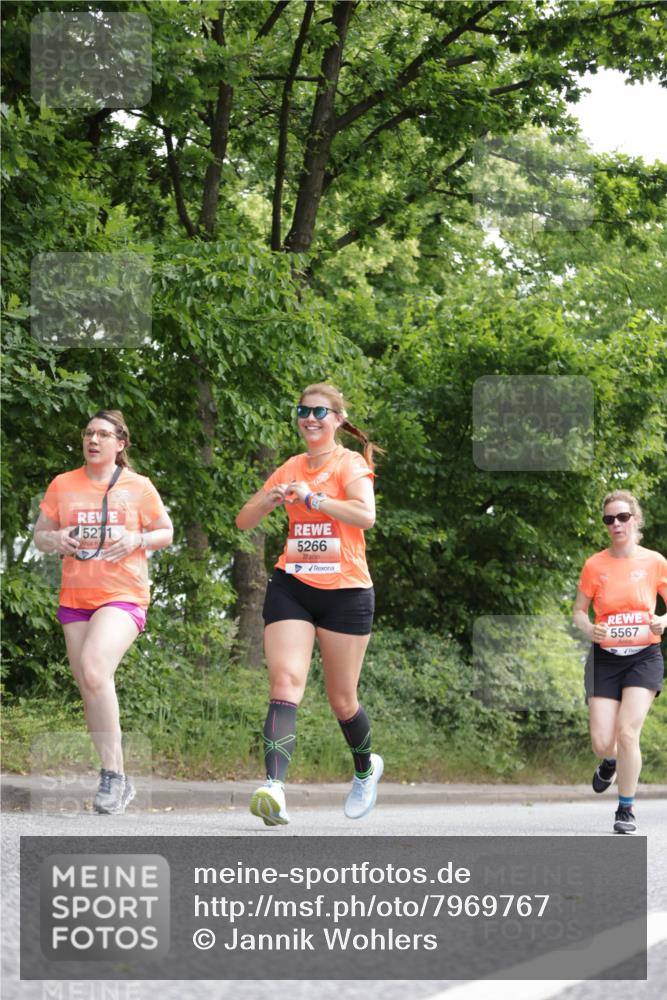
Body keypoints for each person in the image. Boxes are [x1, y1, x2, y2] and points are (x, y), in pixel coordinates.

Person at [236, 383, 383, 826]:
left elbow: (366, 515)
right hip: (293, 585)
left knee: (342, 700)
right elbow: (245, 521)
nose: (310, 417)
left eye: (320, 411)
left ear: (338, 419)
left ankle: (364, 769)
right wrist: (272, 497)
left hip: (347, 593)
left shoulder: (350, 463)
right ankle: (274, 789)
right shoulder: (290, 468)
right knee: (285, 682)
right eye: (304, 410)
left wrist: (316, 499)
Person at [33, 410, 173, 814]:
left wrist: (135, 538)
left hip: (123, 595)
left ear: (120, 443)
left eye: (103, 434)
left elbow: (166, 532)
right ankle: (117, 775)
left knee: (95, 668)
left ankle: (112, 776)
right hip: (75, 597)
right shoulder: (63, 484)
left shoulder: (138, 486)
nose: (93, 440)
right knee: (89, 685)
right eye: (88, 433)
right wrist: (54, 537)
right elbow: (41, 536)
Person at [573, 490, 666, 834]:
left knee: (628, 733)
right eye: (609, 519)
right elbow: (579, 612)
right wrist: (589, 629)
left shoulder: (655, 562)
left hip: (644, 656)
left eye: (622, 517)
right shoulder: (595, 565)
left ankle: (625, 809)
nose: (616, 524)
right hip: (605, 658)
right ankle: (609, 762)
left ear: (635, 519)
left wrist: (663, 620)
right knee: (602, 742)